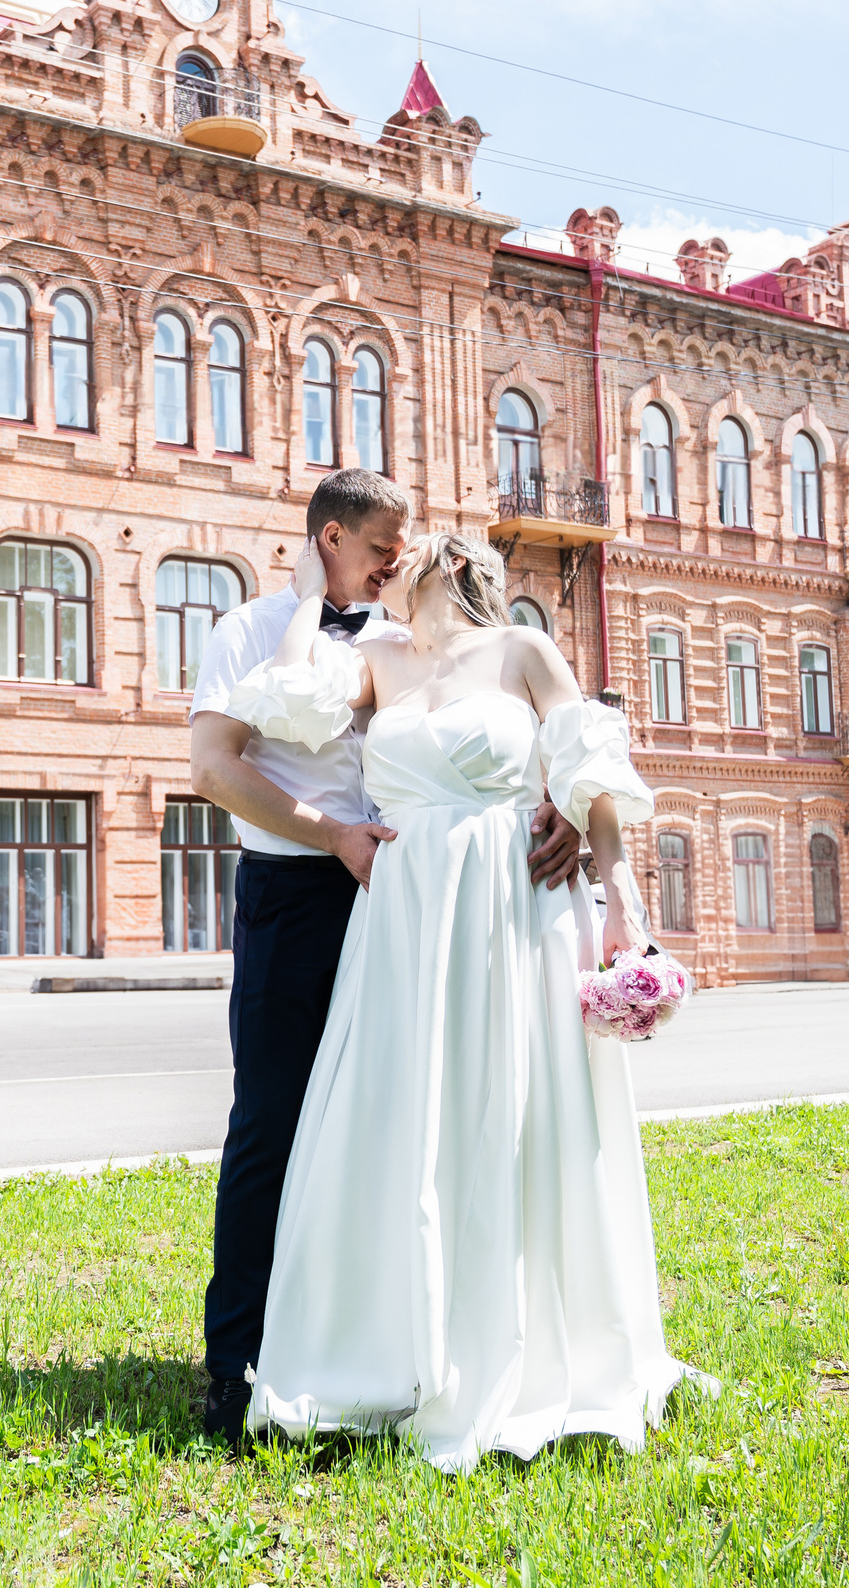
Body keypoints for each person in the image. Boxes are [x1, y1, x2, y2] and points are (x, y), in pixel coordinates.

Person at [223, 526, 711, 1472]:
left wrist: (623, 901)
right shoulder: (373, 659)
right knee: (398, 1118)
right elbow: (286, 706)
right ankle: (393, 1351)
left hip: (516, 904)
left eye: (406, 553)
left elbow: (590, 772)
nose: (389, 562)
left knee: (522, 1116)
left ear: (446, 567)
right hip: (406, 916)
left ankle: (535, 1352)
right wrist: (299, 595)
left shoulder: (521, 649)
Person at [187, 471, 583, 1440]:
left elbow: (496, 725)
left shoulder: (412, 638)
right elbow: (213, 769)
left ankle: (390, 1339)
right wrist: (332, 837)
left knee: (401, 1127)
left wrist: (555, 799)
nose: (396, 563)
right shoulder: (246, 629)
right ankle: (237, 1365)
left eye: (406, 553)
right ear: (330, 540)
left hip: (417, 902)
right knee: (273, 1130)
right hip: (299, 894)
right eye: (380, 549)